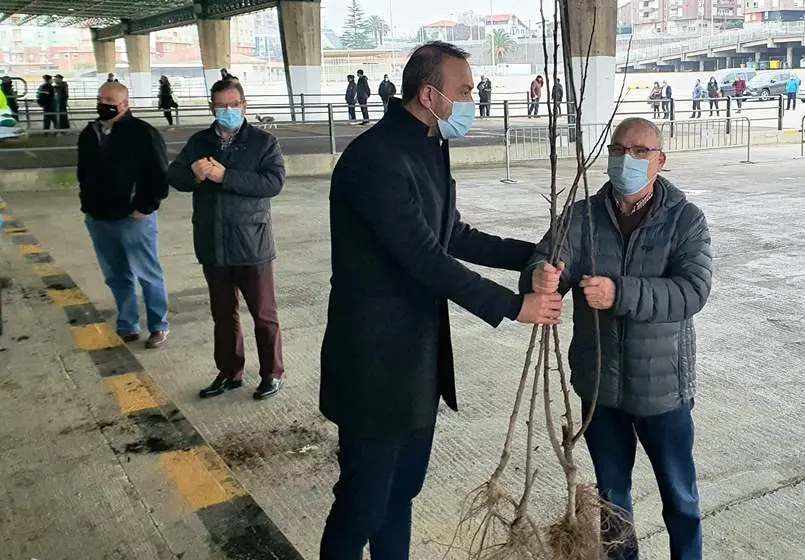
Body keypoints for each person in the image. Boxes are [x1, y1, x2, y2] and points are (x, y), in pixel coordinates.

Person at [319, 41, 563, 559]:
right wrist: (513, 306)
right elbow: (424, 259)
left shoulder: (430, 146)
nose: (474, 100)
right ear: (430, 95)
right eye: (466, 90)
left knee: (401, 492)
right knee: (362, 501)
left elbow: (452, 234)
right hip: (373, 363)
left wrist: (532, 256)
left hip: (416, 361)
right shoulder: (376, 158)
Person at [520, 117, 712, 560]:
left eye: (641, 151)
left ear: (660, 160)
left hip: (662, 389)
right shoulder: (583, 216)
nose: (628, 158)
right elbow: (547, 257)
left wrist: (620, 292)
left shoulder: (685, 220)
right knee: (612, 500)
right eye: (620, 149)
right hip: (599, 387)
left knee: (680, 499)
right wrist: (541, 275)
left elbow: (693, 290)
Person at [167, 79, 286, 402]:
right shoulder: (200, 141)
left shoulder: (263, 142)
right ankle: (230, 371)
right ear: (212, 108)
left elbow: (273, 182)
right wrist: (193, 173)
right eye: (222, 106)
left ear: (244, 106)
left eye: (234, 105)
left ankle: (272, 373)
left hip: (252, 243)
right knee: (223, 314)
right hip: (212, 242)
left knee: (264, 314)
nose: (228, 111)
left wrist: (225, 176)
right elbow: (174, 176)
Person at [77, 82, 170, 348]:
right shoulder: (89, 133)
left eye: (110, 99)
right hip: (99, 218)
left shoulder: (143, 133)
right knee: (116, 276)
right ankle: (127, 325)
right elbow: (83, 173)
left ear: (125, 104)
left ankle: (158, 326)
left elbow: (159, 174)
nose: (103, 103)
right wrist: (87, 205)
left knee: (148, 273)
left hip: (133, 219)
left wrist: (145, 206)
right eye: (101, 98)